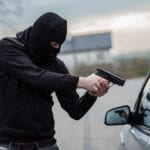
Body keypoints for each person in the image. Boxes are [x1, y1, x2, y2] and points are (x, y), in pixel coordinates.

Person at [0, 12, 109, 150]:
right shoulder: (8, 48)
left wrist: (92, 94)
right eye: (53, 43)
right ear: (40, 37)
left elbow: (75, 110)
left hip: (46, 144)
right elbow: (35, 76)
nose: (56, 49)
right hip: (8, 144)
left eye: (59, 44)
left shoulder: (57, 65)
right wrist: (82, 81)